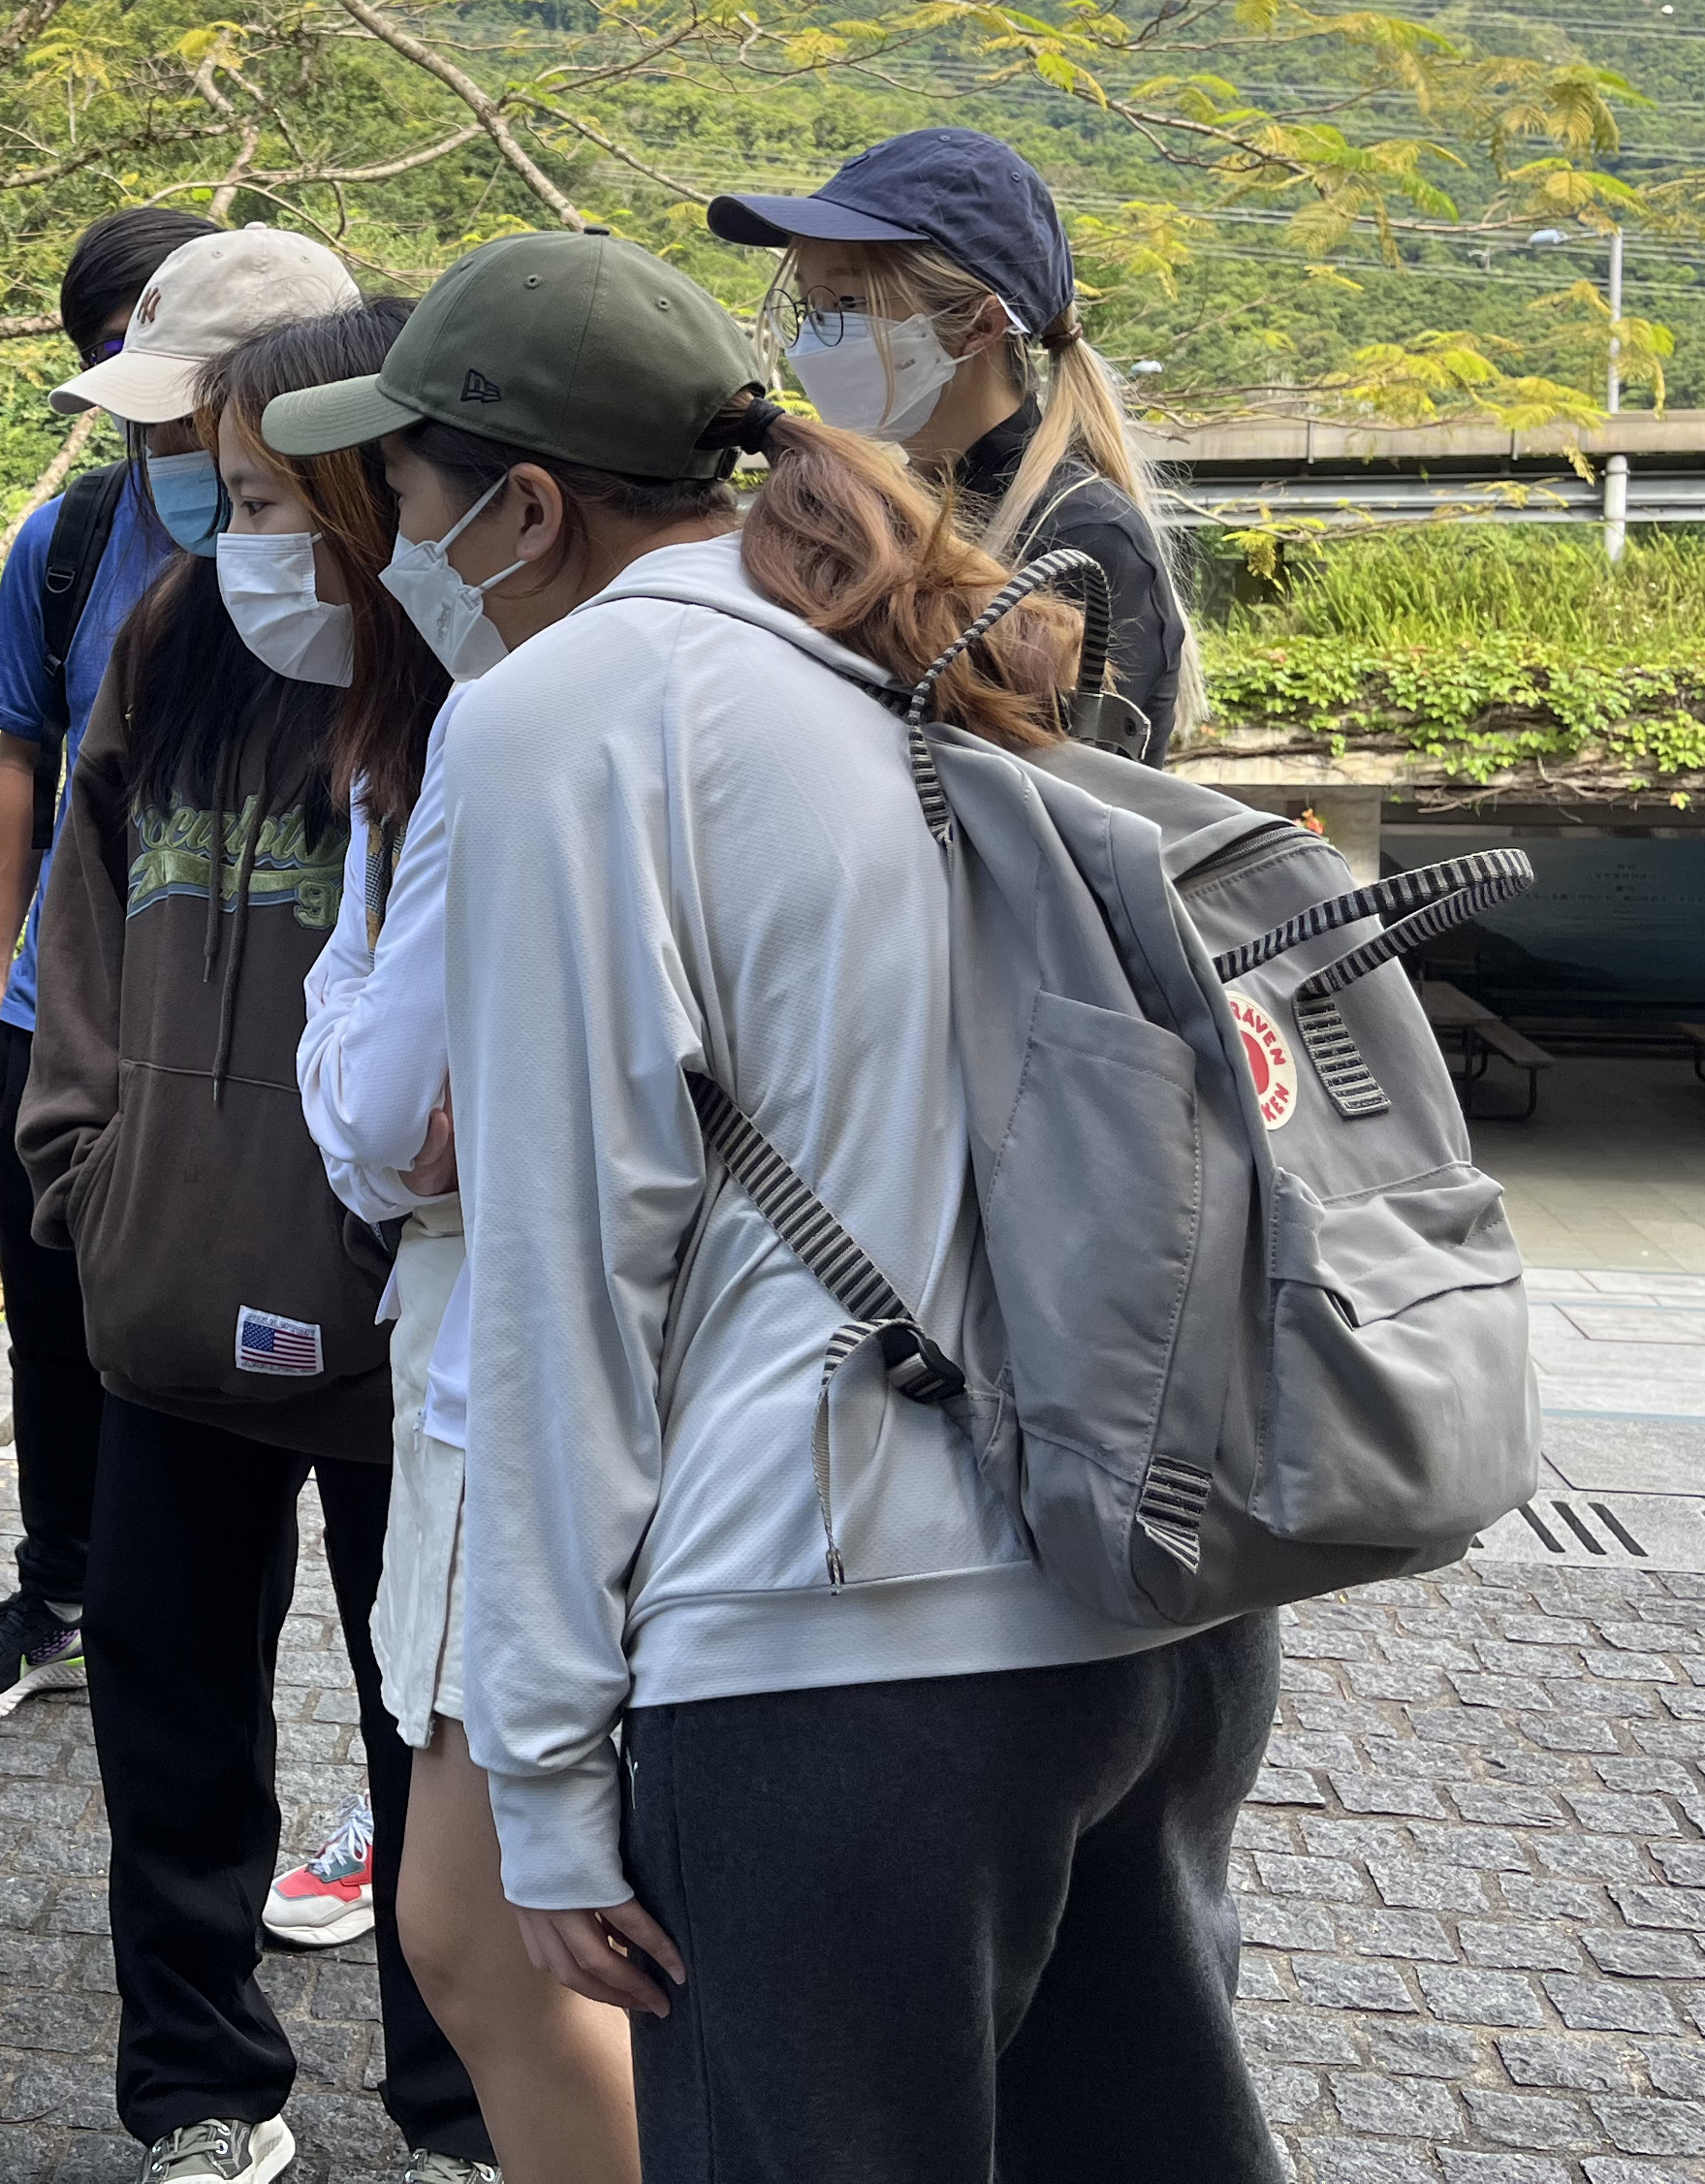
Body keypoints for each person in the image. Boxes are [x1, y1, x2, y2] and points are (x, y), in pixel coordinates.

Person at [268, 235, 1280, 2183]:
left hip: (853, 1654)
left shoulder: (563, 711)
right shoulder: (892, 645)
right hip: (1145, 1600)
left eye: (397, 493)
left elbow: (569, 1268)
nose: (384, 540)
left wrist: (549, 1782)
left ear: (525, 506)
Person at [22, 291, 502, 2184]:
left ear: (366, 490)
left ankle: (462, 2106)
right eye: (215, 495)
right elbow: (80, 905)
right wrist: (85, 1165)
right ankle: (202, 2091)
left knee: (428, 1734)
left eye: (266, 499)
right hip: (163, 1300)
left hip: (401, 1324)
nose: (235, 541)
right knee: (170, 1719)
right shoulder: (172, 637)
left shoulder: (461, 686)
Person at [0, 208, 350, 1729]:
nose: (170, 452)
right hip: (74, 1019)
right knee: (63, 1344)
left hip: (284, 1067)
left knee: (292, 1421)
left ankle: (372, 1755)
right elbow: (30, 765)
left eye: (193, 416)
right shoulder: (83, 538)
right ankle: (60, 1592)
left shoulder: (379, 589)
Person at [270, 387, 639, 2184]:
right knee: (493, 1922)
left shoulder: (491, 732)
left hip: (511, 1351)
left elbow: (382, 1125)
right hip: (530, 1343)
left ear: (525, 510)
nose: (255, 541)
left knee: (484, 1929)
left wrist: (334, 1019)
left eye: (331, 498)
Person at [709, 126, 1190, 760]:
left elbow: (1066, 825)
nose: (820, 337)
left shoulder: (1085, 539)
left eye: (849, 303)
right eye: (812, 307)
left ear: (978, 325)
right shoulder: (883, 505)